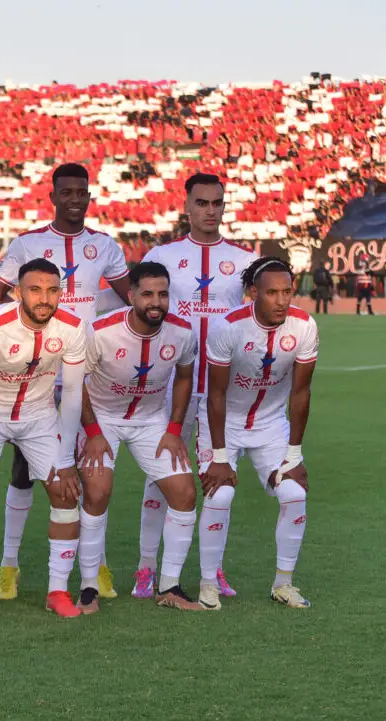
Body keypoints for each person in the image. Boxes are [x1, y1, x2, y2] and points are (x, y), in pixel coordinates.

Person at [0, 163, 130, 601]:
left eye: (81, 192)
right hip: (28, 372)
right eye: (66, 192)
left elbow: (133, 298)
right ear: (53, 196)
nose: (75, 199)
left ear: (89, 196)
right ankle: (9, 565)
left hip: (82, 371)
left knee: (83, 475)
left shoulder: (105, 246)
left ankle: (94, 565)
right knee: (23, 472)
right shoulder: (26, 244)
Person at [130, 173, 257, 600]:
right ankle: (146, 567)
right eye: (201, 202)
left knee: (219, 481)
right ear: (186, 206)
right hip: (170, 388)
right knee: (160, 479)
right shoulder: (163, 255)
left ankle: (212, 570)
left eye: (217, 202)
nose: (210, 210)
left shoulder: (243, 260)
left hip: (223, 390)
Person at [0, 259, 87, 622]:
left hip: (39, 414)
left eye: (53, 290)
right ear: (16, 292)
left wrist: (66, 459)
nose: (44, 298)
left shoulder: (74, 326)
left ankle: (57, 591)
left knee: (65, 493)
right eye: (35, 290)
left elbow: (72, 392)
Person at [76, 262, 200, 613]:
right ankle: (88, 589)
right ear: (130, 296)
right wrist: (93, 432)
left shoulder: (182, 332)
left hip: (150, 420)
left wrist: (173, 429)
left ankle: (170, 586)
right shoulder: (100, 332)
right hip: (101, 418)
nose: (156, 302)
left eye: (163, 294)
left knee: (185, 492)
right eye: (147, 294)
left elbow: (185, 378)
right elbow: (73, 383)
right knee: (97, 492)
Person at [196, 257, 318, 611]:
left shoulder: (305, 325)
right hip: (224, 421)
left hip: (270, 423)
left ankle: (283, 584)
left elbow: (301, 393)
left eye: (287, 292)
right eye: (272, 293)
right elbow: (215, 395)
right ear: (253, 292)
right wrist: (220, 457)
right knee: (220, 495)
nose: (281, 301)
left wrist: (294, 454)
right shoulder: (227, 327)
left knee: (295, 494)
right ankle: (208, 584)